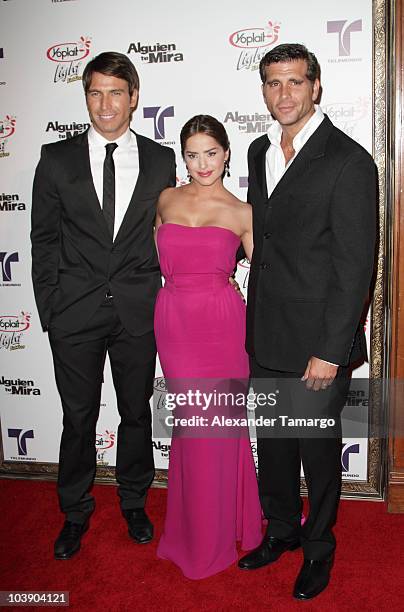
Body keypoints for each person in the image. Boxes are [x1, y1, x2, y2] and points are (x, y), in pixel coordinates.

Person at [238, 44, 376, 600]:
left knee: (317, 454)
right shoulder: (256, 151)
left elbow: (354, 266)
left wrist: (331, 348)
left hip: (318, 343)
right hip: (266, 333)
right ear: (264, 90)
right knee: (272, 447)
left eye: (295, 82)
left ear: (316, 86)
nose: (284, 94)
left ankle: (319, 549)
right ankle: (281, 532)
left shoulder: (348, 160)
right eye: (274, 83)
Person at [31, 51, 176, 560]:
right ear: (86, 97)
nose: (106, 103)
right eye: (96, 92)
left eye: (117, 92)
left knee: (135, 413)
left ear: (134, 98)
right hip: (74, 311)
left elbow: (170, 234)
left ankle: (134, 501)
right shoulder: (55, 158)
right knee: (78, 417)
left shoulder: (162, 160)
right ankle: (74, 510)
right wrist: (49, 306)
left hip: (139, 309)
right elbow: (43, 239)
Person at [154, 115, 262, 579]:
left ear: (226, 154)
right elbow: (162, 258)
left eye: (211, 153)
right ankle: (195, 527)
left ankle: (223, 531)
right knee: (191, 429)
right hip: (175, 322)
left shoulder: (243, 212)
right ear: (184, 156)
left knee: (219, 429)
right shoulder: (166, 198)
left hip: (222, 327)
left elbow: (269, 276)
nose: (202, 164)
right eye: (192, 154)